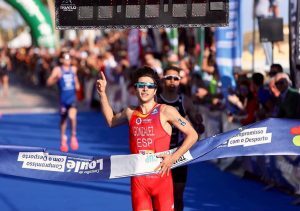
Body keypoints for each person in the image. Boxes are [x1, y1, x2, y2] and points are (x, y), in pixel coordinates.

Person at [96, 66, 198, 211]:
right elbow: (111, 121)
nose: (145, 89)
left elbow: (192, 134)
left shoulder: (166, 111)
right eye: (141, 85)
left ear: (155, 90)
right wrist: (102, 94)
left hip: (161, 178)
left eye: (149, 86)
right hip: (139, 180)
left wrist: (173, 157)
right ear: (135, 89)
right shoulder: (130, 112)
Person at [156, 66, 204, 211]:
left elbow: (199, 129)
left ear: (180, 81)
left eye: (176, 78)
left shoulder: (185, 102)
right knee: (157, 194)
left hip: (179, 153)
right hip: (158, 154)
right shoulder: (155, 101)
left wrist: (198, 122)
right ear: (163, 80)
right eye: (169, 78)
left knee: (178, 195)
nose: (172, 81)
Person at [47, 53, 80, 152]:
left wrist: (77, 84)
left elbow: (77, 83)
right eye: (66, 59)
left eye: (69, 59)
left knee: (72, 116)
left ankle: (73, 135)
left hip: (72, 98)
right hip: (63, 99)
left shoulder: (73, 69)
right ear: (61, 60)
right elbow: (48, 82)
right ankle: (63, 139)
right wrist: (57, 78)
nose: (68, 61)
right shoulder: (57, 70)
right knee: (64, 120)